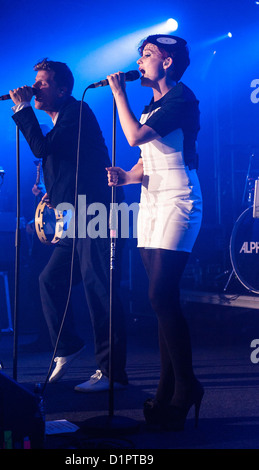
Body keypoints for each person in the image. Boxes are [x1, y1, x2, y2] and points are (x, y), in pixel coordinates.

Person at [9, 58, 128, 392]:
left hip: (97, 214)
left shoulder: (77, 112)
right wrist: (51, 196)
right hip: (77, 219)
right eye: (35, 81)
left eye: (43, 83)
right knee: (50, 280)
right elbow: (65, 163)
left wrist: (21, 109)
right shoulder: (62, 119)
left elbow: (42, 147)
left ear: (63, 89)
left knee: (99, 289)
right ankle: (68, 346)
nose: (35, 89)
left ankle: (113, 373)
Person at [106, 34, 203, 430]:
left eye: (147, 55)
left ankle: (187, 386)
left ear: (167, 63)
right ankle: (167, 390)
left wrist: (117, 94)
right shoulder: (155, 103)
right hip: (150, 199)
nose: (139, 61)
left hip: (179, 199)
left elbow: (134, 136)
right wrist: (128, 176)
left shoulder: (182, 98)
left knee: (160, 295)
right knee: (161, 301)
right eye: (141, 54)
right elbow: (146, 155)